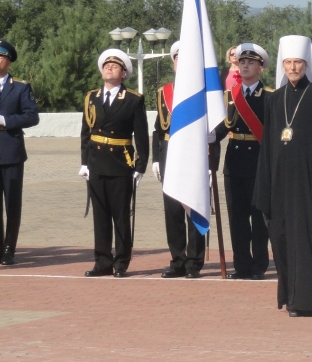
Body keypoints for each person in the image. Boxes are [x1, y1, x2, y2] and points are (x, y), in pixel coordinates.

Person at [252, 36, 312, 317]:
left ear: (307, 65)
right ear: (282, 65)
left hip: (310, 187)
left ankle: (311, 302)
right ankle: (291, 297)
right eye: (288, 63)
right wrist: (265, 188)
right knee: (282, 243)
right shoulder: (273, 100)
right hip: (281, 187)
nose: (293, 67)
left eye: (298, 62)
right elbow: (268, 146)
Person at [79, 49, 149, 277]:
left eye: (114, 66)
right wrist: (84, 162)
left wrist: (140, 166)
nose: (109, 68)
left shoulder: (133, 99)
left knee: (120, 216)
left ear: (124, 73)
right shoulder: (92, 97)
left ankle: (120, 262)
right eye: (106, 65)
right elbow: (86, 133)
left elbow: (141, 135)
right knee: (100, 216)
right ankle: (102, 261)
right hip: (97, 162)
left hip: (121, 163)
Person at [152, 42, 213, 278]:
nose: (181, 63)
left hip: (196, 153)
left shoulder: (204, 92)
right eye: (177, 59)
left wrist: (212, 162)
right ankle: (177, 260)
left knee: (194, 206)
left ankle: (194, 262)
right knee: (173, 210)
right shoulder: (164, 92)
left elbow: (214, 130)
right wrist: (157, 159)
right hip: (170, 153)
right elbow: (158, 129)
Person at [212, 43, 271, 280]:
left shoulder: (270, 97)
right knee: (237, 218)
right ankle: (241, 265)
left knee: (259, 218)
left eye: (251, 62)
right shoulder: (229, 96)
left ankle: (259, 265)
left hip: (259, 162)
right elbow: (222, 127)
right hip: (234, 162)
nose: (245, 65)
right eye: (242, 62)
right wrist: (210, 136)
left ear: (261, 68)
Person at [0, 39, 39, 265]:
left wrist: (5, 120)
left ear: (9, 61)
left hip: (11, 152)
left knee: (12, 203)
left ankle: (10, 248)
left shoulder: (20, 87)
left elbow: (31, 116)